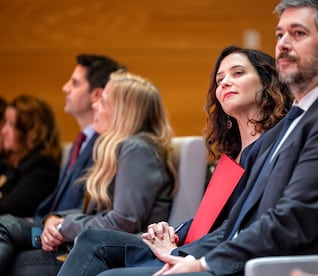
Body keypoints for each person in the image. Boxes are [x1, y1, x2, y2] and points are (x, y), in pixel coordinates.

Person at [59, 0, 318, 275]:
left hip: (277, 266)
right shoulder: (292, 124)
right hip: (239, 256)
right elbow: (235, 222)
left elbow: (292, 221)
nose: (282, 44)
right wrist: (183, 254)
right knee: (94, 247)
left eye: (298, 33)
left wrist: (202, 262)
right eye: (280, 34)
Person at [56, 45, 292, 276]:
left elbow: (243, 226)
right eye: (219, 80)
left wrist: (182, 252)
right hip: (191, 246)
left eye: (237, 73)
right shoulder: (231, 154)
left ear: (267, 82)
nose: (225, 82)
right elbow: (208, 220)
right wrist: (172, 232)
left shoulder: (275, 147)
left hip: (219, 258)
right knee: (91, 239)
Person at [4, 70, 177, 275]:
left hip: (117, 254)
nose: (94, 105)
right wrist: (56, 218)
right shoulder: (120, 148)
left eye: (103, 102)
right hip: (89, 246)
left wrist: (63, 227)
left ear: (123, 112)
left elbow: (122, 222)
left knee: (14, 254)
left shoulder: (137, 150)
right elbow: (96, 213)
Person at [0, 54, 123, 274]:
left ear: (96, 94)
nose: (65, 88)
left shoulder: (108, 144)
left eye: (74, 83)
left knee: (7, 229)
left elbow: (99, 208)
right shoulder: (82, 141)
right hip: (50, 225)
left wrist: (57, 222)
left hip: (66, 232)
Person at [0, 95, 61, 217]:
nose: (3, 131)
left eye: (11, 125)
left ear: (31, 132)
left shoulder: (43, 166)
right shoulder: (10, 163)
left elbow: (7, 209)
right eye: (4, 123)